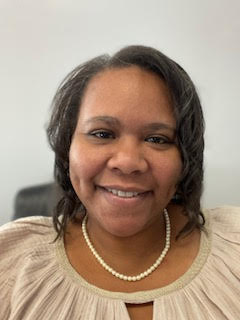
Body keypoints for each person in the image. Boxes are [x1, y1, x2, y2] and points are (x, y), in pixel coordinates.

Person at [0, 45, 239, 320]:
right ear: (67, 146)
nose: (127, 162)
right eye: (102, 133)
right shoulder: (10, 263)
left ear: (186, 158)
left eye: (157, 139)